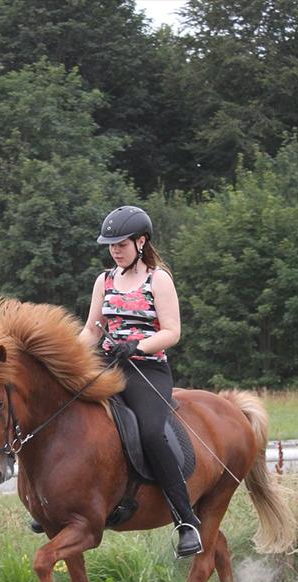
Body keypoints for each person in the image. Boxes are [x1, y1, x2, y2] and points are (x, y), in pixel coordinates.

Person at [78, 205, 204, 559]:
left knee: (150, 431)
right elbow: (91, 329)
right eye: (111, 244)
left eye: (121, 243)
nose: (115, 249)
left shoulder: (158, 279)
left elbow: (172, 332)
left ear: (141, 241)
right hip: (107, 363)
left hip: (147, 369)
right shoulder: (104, 280)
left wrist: (137, 345)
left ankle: (185, 520)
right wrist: (67, 358)